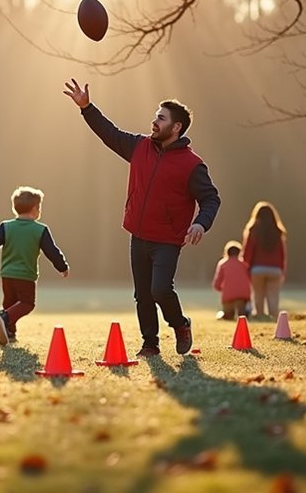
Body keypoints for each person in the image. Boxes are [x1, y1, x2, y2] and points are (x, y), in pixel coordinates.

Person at [63, 78, 221, 356]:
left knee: (160, 290)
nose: (154, 122)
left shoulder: (192, 164)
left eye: (160, 118)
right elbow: (109, 133)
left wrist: (200, 222)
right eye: (155, 116)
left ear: (176, 127)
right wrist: (86, 107)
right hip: (139, 234)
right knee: (142, 295)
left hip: (168, 239)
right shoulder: (139, 147)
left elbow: (211, 198)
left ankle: (181, 324)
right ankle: (150, 343)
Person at [0, 186, 69, 346]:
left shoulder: (6, 226)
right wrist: (62, 267)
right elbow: (52, 251)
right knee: (27, 303)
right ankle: (3, 318)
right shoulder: (40, 229)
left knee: (10, 303)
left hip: (7, 274)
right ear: (35, 208)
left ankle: (9, 332)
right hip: (25, 275)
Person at [241, 201, 287, 320]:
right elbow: (282, 254)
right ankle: (274, 317)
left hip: (257, 269)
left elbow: (247, 252)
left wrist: (246, 267)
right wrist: (282, 270)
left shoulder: (253, 231)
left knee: (258, 294)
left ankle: (260, 316)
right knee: (273, 296)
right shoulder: (278, 232)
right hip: (275, 269)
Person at [212, 240, 251, 320]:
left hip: (228, 294)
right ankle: (244, 312)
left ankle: (226, 314)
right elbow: (250, 278)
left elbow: (217, 283)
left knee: (228, 316)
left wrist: (221, 289)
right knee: (242, 316)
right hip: (242, 294)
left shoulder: (223, 264)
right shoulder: (244, 264)